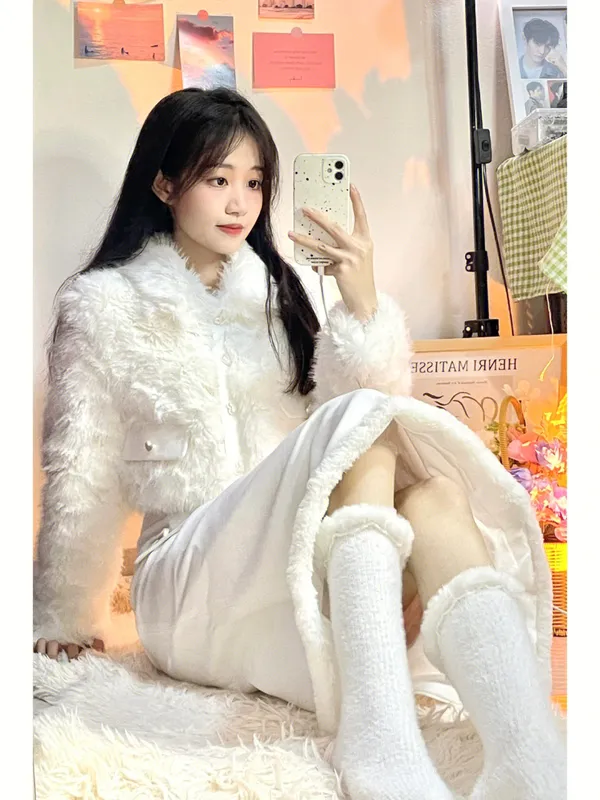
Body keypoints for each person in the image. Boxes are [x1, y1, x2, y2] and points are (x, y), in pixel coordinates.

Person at [33, 87, 566, 799]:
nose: (240, 203)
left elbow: (354, 424)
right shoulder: (104, 306)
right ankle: (377, 736)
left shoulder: (279, 296)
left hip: (286, 566)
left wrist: (363, 304)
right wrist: (64, 615)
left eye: (255, 183)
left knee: (435, 493)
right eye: (217, 179)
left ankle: (531, 759)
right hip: (182, 583)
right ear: (164, 184)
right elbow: (81, 467)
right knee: (360, 430)